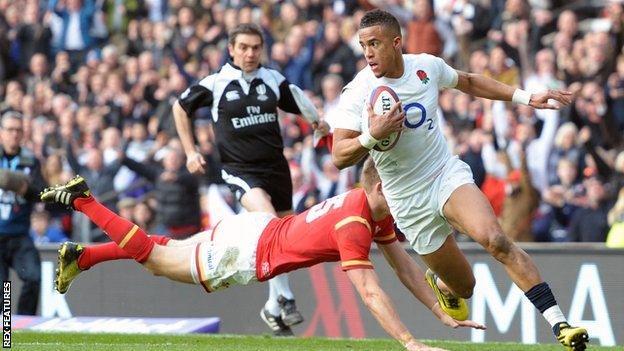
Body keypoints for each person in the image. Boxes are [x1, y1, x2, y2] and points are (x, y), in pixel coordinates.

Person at [330, 9, 588, 350]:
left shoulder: (426, 66)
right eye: (363, 45)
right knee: (464, 286)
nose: (368, 53)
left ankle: (561, 326)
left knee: (495, 240)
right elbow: (338, 155)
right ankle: (445, 284)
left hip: (443, 174)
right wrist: (371, 136)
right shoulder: (358, 92)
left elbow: (466, 80)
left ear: (396, 42)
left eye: (375, 43)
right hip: (408, 201)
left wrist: (525, 97)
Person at [43, 159, 484, 351]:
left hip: (256, 229)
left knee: (167, 250)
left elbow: (403, 264)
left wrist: (439, 313)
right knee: (155, 260)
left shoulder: (366, 206)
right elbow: (369, 291)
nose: (404, 195)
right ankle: (84, 201)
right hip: (249, 250)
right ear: (378, 187)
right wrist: (410, 342)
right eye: (398, 189)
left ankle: (83, 258)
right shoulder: (355, 224)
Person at [172, 23, 327, 335]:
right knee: (268, 222)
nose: (250, 53)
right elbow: (180, 107)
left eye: (256, 47)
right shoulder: (216, 83)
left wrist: (318, 124)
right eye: (243, 47)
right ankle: (284, 299)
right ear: (231, 49)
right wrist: (190, 151)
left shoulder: (272, 79)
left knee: (283, 239)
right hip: (240, 170)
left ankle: (272, 306)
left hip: (277, 170)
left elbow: (302, 105)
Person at [0, 112, 46, 315]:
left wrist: (23, 189)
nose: (14, 134)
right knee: (3, 291)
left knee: (34, 277)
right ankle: (7, 331)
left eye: (18, 130)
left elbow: (42, 194)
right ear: (1, 133)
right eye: (10, 129)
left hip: (19, 235)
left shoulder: (31, 161)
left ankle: (24, 325)